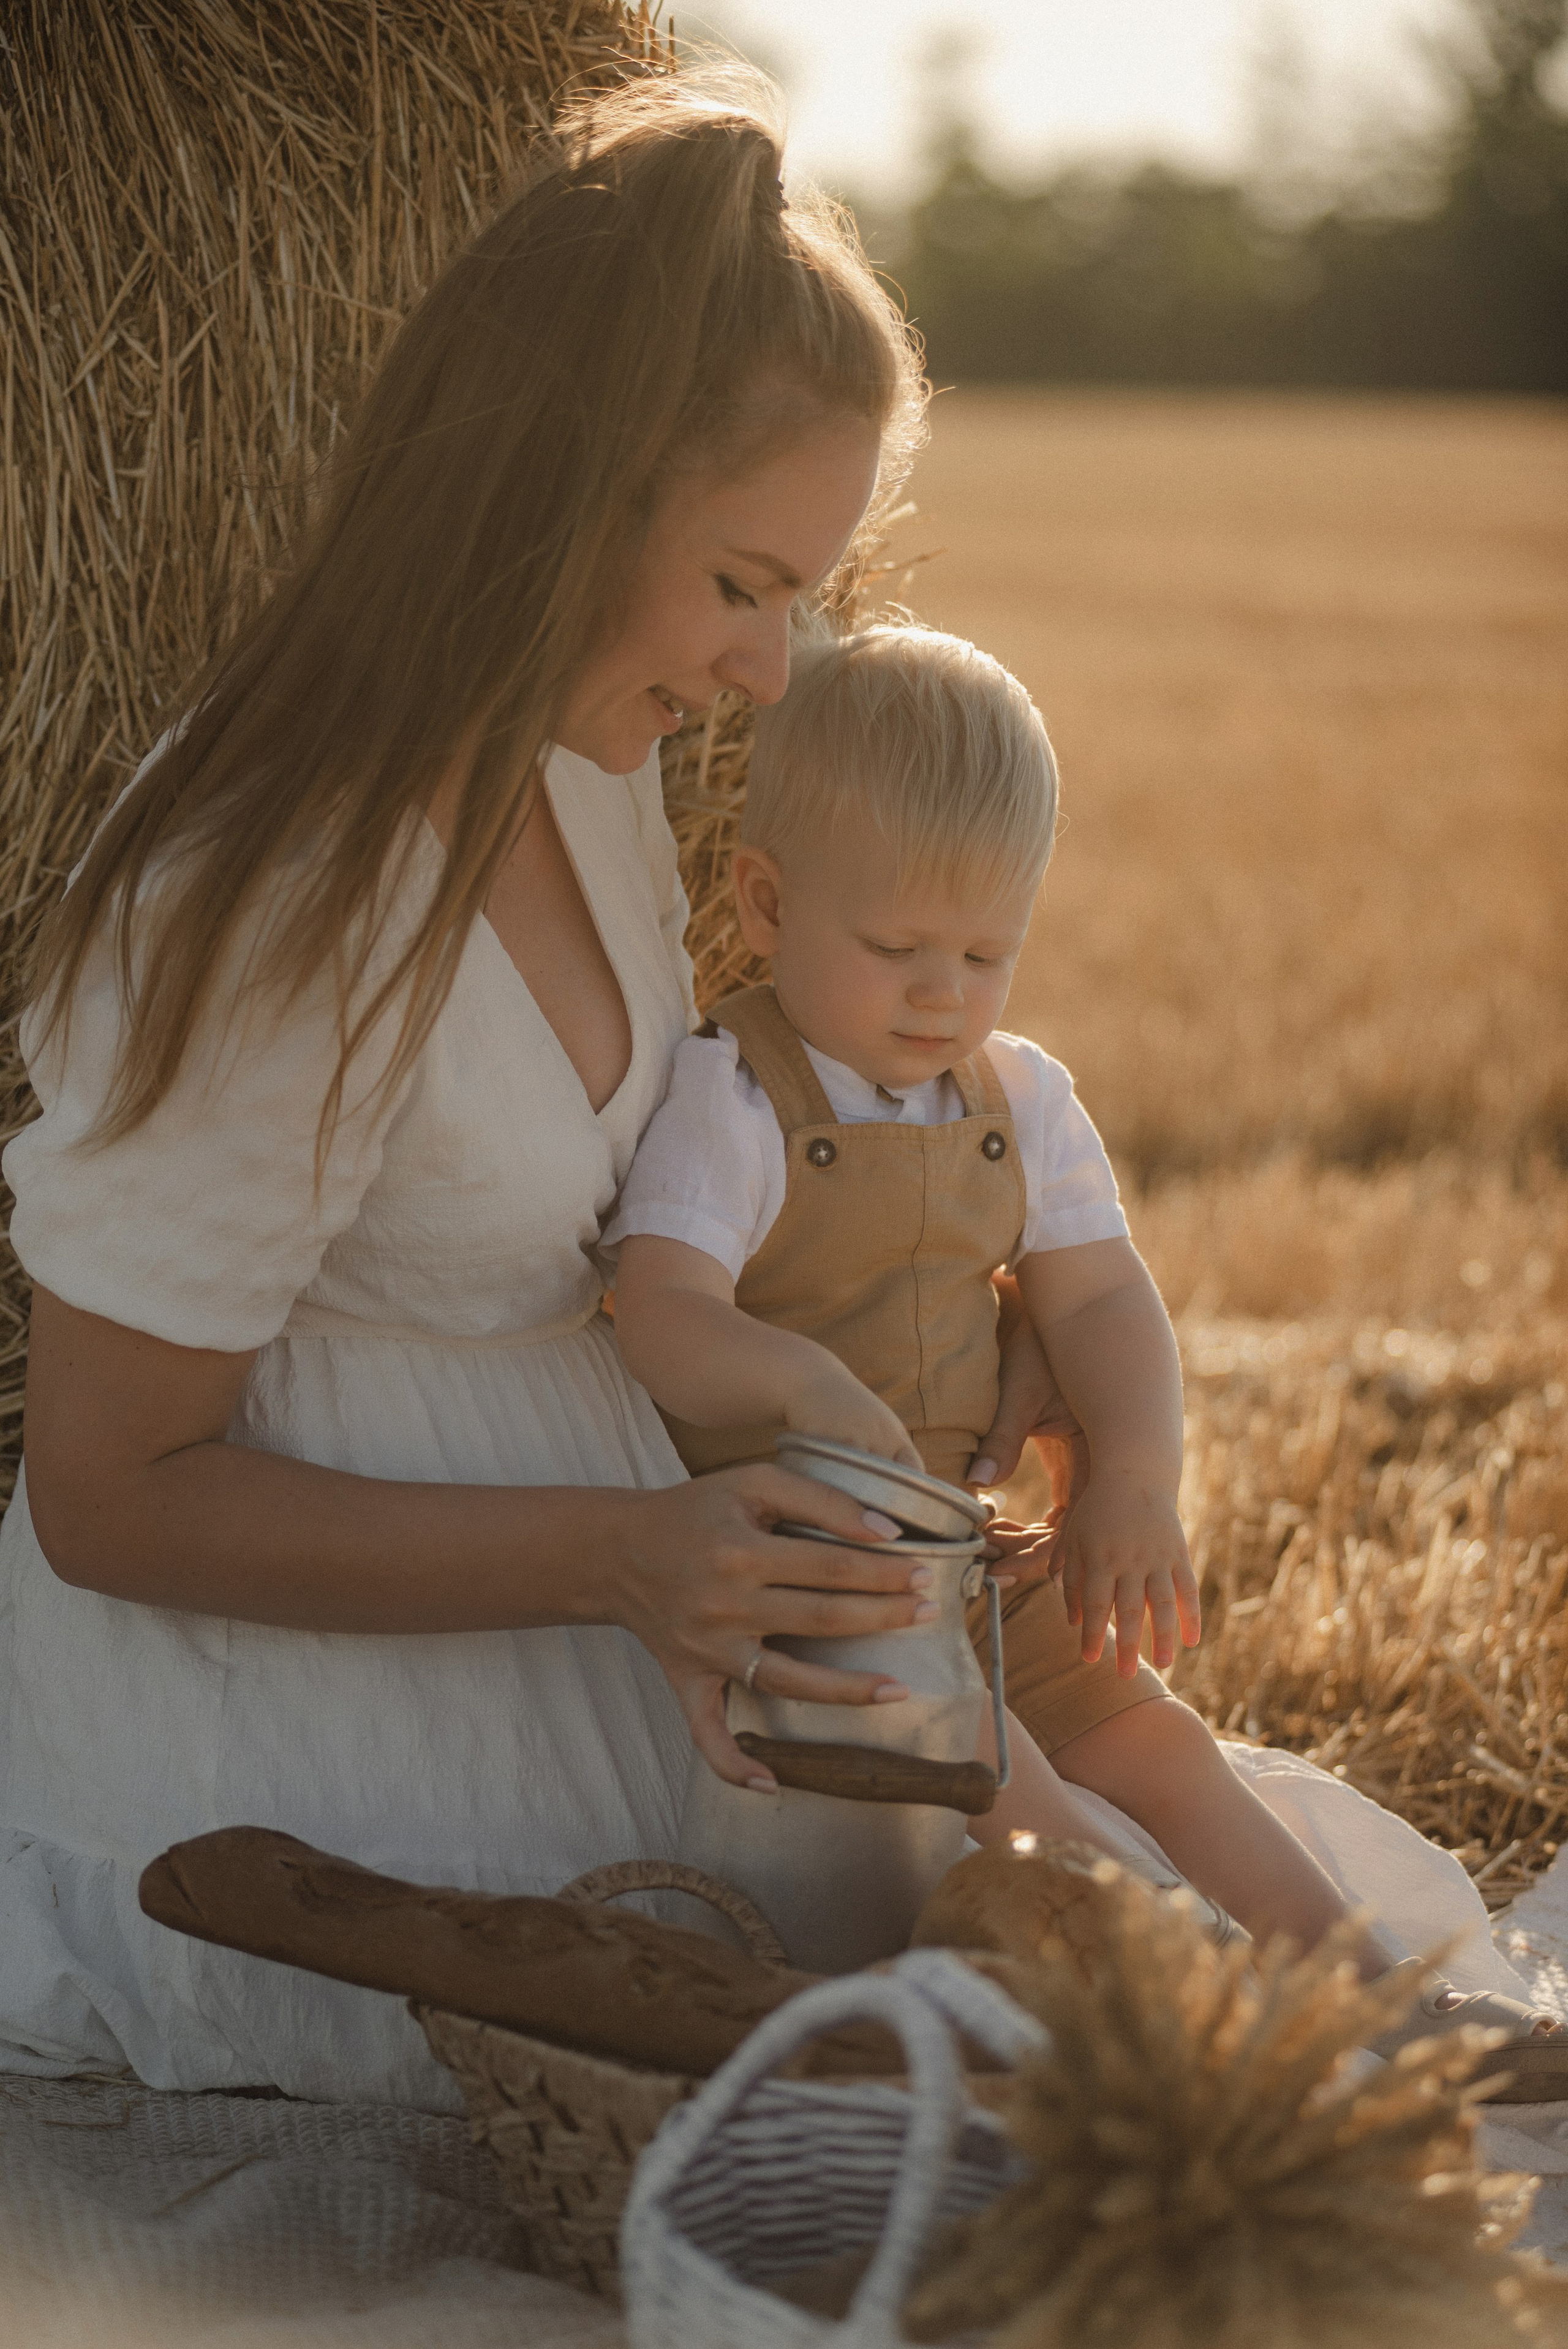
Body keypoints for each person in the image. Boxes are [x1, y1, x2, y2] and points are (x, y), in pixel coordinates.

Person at [0, 79, 1018, 2111]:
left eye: (794, 595)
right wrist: (623, 1561)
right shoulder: (270, 884)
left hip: (606, 1602)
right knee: (843, 2050)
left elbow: (619, 1203)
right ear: (560, 490)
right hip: (304, 1732)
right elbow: (104, 1492)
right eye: (740, 581)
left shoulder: (587, 757)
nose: (771, 668)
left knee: (1020, 1937)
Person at [608, 622, 1568, 2070]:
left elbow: (1104, 1299)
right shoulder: (734, 1099)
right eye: (897, 950)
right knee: (1018, 1777)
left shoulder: (1019, 1096)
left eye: (989, 952)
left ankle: (1390, 2002)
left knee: (1157, 1742)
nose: (944, 993)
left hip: (983, 1558)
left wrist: (1131, 1468)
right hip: (824, 1566)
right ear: (761, 902)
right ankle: (1212, 2024)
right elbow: (658, 1309)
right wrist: (801, 1382)